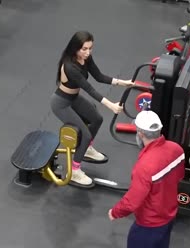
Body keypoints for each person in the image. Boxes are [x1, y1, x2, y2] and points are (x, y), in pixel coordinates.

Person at [51, 31, 135, 188]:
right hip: (61, 103)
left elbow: (99, 76)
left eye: (90, 48)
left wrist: (123, 82)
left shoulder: (86, 58)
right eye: (84, 49)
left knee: (97, 119)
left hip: (73, 98)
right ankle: (75, 170)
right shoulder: (70, 66)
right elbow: (90, 89)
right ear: (75, 48)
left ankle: (86, 149)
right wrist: (111, 106)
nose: (88, 52)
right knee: (85, 133)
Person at [108, 110, 186, 248]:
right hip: (169, 215)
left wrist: (115, 212)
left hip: (149, 223)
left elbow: (132, 201)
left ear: (141, 133)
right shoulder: (176, 149)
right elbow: (178, 177)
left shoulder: (145, 166)